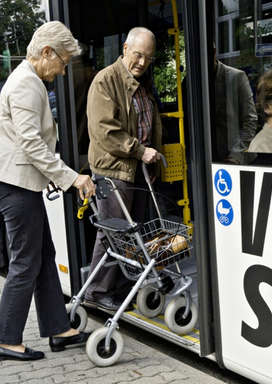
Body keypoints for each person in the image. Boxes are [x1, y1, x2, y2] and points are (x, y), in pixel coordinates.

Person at [0, 21, 95, 361]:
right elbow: (31, 144)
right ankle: (5, 339)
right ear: (46, 52)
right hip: (14, 186)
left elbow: (29, 144)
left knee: (43, 257)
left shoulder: (27, 80)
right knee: (26, 262)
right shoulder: (26, 85)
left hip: (17, 183)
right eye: (62, 61)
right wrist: (73, 178)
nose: (63, 70)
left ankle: (58, 329)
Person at [84, 27, 163, 311]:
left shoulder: (140, 83)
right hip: (114, 171)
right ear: (126, 48)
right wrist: (142, 151)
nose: (142, 62)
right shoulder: (106, 81)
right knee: (113, 233)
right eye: (138, 55)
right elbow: (105, 131)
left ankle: (122, 287)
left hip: (137, 170)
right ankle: (96, 291)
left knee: (133, 233)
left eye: (148, 58)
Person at [212, 48, 258, 161]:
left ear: (213, 52)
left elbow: (250, 119)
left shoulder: (236, 76)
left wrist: (236, 156)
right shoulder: (189, 81)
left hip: (235, 159)